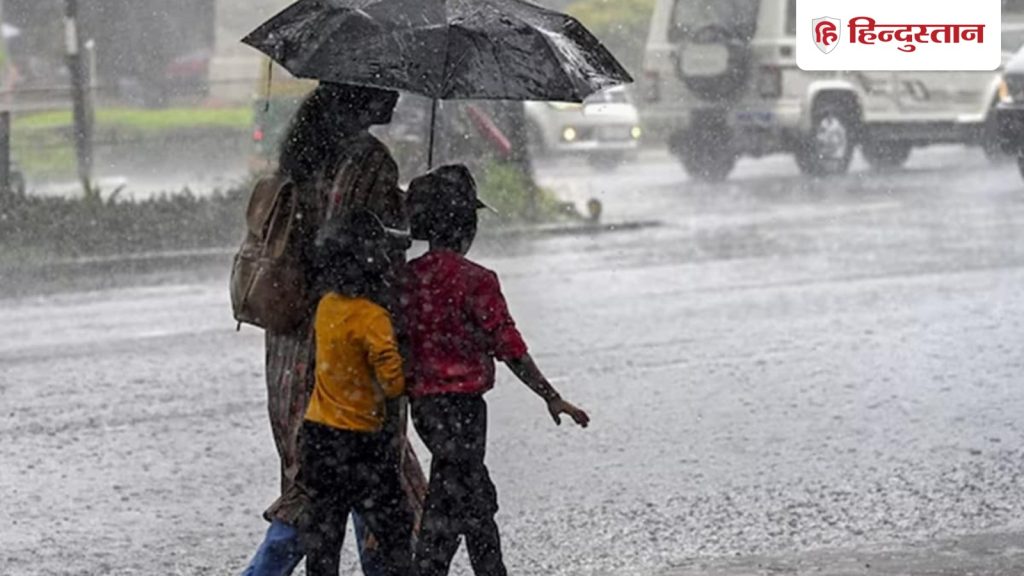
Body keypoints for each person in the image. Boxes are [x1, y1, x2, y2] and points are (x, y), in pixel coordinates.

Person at [243, 82, 425, 576]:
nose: (397, 97)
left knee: (313, 481)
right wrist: (412, 215)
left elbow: (328, 230)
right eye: (387, 86)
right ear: (360, 94)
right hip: (348, 344)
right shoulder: (369, 160)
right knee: (378, 479)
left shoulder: (302, 153)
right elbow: (362, 243)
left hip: (291, 340)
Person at [402, 165, 591, 576]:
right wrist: (550, 395)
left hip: (424, 409)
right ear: (467, 226)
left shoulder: (406, 279)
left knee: (460, 492)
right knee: (464, 496)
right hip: (465, 410)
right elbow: (509, 347)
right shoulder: (477, 281)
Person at [296, 209, 414, 576]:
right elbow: (393, 383)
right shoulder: (373, 318)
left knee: (325, 538)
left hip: (317, 439)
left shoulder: (326, 307)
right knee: (394, 529)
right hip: (362, 444)